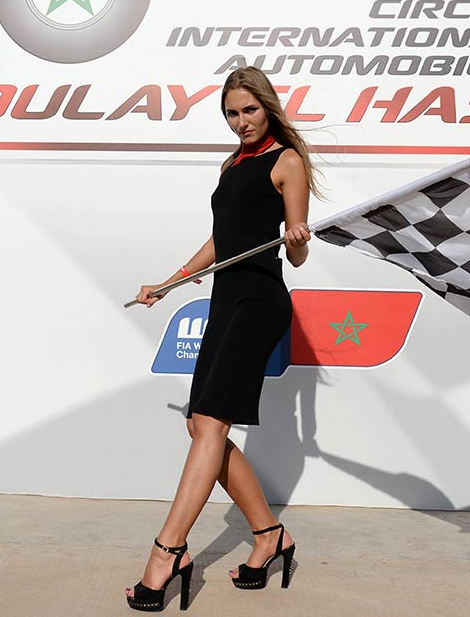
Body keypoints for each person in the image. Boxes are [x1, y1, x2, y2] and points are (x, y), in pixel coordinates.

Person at [126, 66, 321, 612]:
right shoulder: (232, 163)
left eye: (249, 110)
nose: (241, 121)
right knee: (199, 424)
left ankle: (168, 552)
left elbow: (298, 255)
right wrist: (170, 282)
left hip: (260, 302)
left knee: (210, 423)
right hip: (225, 300)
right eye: (232, 113)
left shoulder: (287, 161)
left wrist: (296, 238)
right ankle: (269, 536)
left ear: (268, 107)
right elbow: (223, 237)